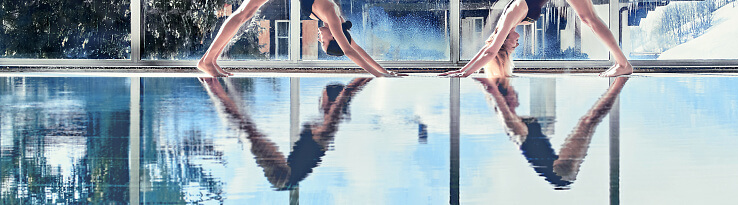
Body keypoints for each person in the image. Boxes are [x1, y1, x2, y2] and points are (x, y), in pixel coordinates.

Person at [199, 77, 372, 189]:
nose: (320, 99)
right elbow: (349, 93)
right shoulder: (329, 124)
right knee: (247, 128)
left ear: (333, 101)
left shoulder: (330, 124)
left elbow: (348, 91)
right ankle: (214, 85)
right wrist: (373, 73)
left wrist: (374, 72)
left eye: (323, 95)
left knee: (247, 128)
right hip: (285, 177)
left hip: (284, 176)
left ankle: (212, 84)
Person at [473, 76, 628, 188]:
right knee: (588, 121)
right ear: (506, 99)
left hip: (557, 172)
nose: (515, 93)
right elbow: (496, 97)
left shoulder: (515, 122)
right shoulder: (512, 125)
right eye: (511, 92)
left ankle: (620, 81)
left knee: (588, 120)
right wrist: (489, 87)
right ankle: (621, 80)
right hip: (559, 174)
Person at [196, 0, 403, 77]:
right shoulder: (332, 15)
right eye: (324, 42)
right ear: (334, 37)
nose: (320, 38)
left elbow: (355, 46)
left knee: (245, 13)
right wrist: (379, 76)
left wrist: (384, 70)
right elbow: (349, 50)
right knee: (244, 13)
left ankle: (210, 60)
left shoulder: (337, 21)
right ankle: (207, 61)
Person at [440, 0, 633, 77]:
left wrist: (465, 73)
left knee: (588, 18)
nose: (516, 44)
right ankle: (622, 63)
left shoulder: (509, 17)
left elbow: (491, 50)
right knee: (588, 18)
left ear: (504, 41)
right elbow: (488, 47)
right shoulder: (507, 25)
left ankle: (622, 64)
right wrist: (463, 68)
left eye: (511, 47)